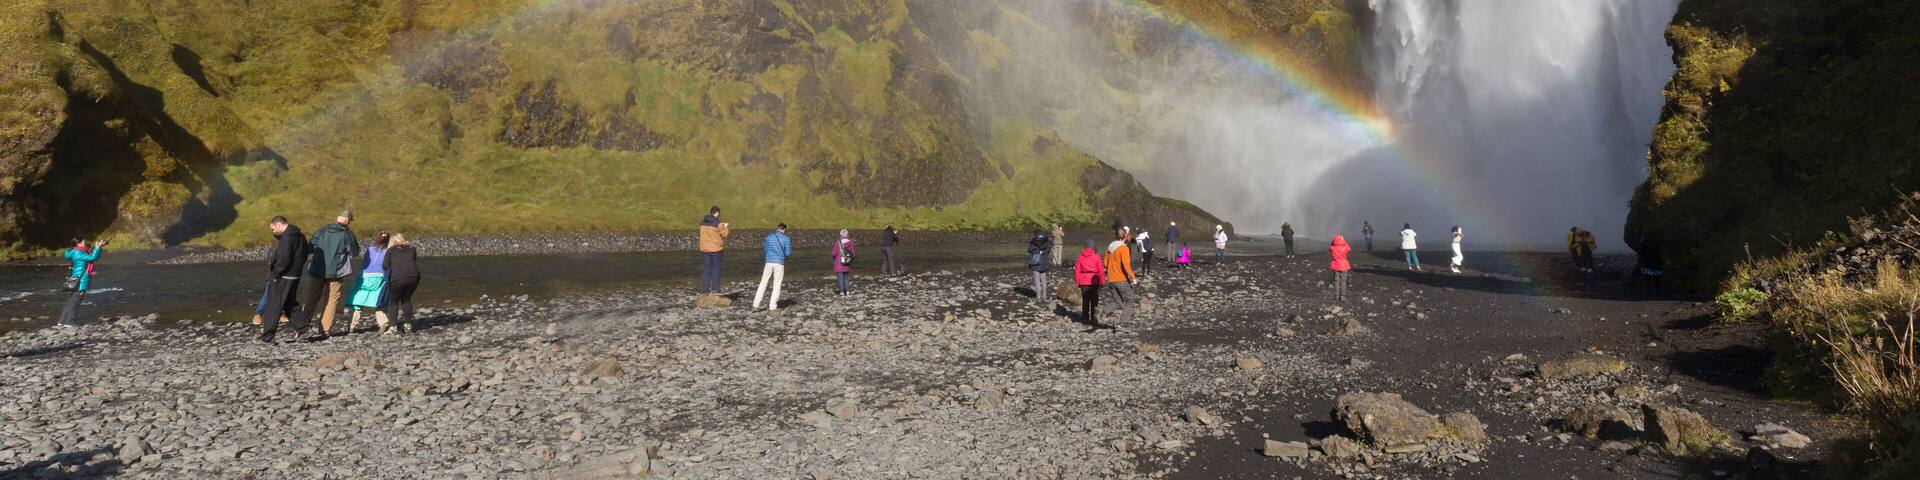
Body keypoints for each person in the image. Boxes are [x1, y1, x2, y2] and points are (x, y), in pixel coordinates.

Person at [298, 210, 358, 340]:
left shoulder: (321, 230)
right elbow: (354, 252)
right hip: (336, 271)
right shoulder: (347, 234)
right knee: (332, 299)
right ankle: (325, 330)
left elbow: (310, 248)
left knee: (311, 298)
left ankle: (301, 327)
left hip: (317, 269)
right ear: (347, 221)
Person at [258, 216, 308, 343]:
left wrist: (276, 272)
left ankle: (268, 337)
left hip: (284, 275)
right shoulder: (299, 235)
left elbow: (284, 258)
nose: (273, 232)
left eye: (273, 229)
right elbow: (305, 253)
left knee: (273, 304)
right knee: (289, 302)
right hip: (295, 274)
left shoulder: (287, 237)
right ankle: (303, 328)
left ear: (279, 225)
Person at [347, 233, 393, 335]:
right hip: (380, 278)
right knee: (379, 302)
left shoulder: (369, 250)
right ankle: (383, 322)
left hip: (365, 278)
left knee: (357, 303)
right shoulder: (388, 251)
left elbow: (365, 264)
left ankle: (351, 326)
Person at [57, 239, 106, 328]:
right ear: (79, 243)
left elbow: (93, 257)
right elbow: (93, 258)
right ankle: (70, 321)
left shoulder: (76, 251)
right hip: (81, 280)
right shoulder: (79, 252)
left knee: (72, 300)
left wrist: (97, 248)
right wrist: (98, 248)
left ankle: (62, 321)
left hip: (76, 279)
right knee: (76, 301)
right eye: (84, 241)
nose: (85, 242)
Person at [383, 233, 421, 334]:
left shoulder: (390, 250)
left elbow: (385, 265)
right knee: (406, 299)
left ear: (392, 241)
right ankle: (408, 325)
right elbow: (413, 260)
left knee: (393, 301)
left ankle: (393, 327)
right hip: (414, 276)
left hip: (398, 277)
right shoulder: (412, 249)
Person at [1102, 227, 1139, 326]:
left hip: (1111, 279)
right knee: (1130, 302)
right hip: (1121, 279)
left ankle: (1106, 310)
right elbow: (1126, 265)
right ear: (1125, 236)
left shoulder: (1110, 246)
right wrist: (1133, 277)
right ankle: (1123, 323)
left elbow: (1105, 263)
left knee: (1118, 301)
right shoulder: (1124, 248)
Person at [754, 224, 793, 311]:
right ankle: (772, 306)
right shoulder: (786, 238)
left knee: (763, 282)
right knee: (777, 284)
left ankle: (755, 304)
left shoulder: (769, 236)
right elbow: (788, 253)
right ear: (784, 229)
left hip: (768, 262)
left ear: (777, 228)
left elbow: (765, 249)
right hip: (779, 263)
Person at [698, 207, 731, 294]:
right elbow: (725, 235)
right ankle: (715, 288)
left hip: (705, 248)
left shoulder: (702, 222)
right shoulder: (718, 223)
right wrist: (725, 227)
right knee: (716, 268)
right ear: (717, 213)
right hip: (716, 249)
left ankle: (705, 289)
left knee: (706, 268)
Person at [1074, 240, 1106, 327]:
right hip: (1095, 280)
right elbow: (1101, 270)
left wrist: (1078, 282)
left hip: (1084, 280)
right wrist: (1103, 281)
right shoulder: (1097, 256)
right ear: (1094, 246)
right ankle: (1093, 318)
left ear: (1085, 246)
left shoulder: (1080, 256)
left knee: (1085, 300)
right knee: (1094, 300)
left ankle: (1085, 318)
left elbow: (1077, 270)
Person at [1027, 229, 1052, 308]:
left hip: (1036, 262)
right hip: (1044, 261)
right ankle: (1044, 297)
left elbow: (1029, 250)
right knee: (1043, 280)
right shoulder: (1046, 240)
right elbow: (1048, 250)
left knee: (1037, 281)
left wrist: (1031, 241)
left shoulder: (1034, 241)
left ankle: (1038, 298)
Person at [832, 229, 856, 295]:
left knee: (840, 278)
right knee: (846, 278)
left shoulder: (838, 242)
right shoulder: (851, 243)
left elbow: (833, 253)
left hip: (839, 263)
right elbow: (853, 253)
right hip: (847, 262)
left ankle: (842, 292)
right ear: (847, 235)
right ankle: (847, 292)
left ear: (841, 235)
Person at [1329, 235, 1352, 302]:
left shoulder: (1333, 248)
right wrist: (1343, 240)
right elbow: (1349, 248)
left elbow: (1330, 247)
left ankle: (1336, 296)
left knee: (1336, 281)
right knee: (1343, 281)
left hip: (1336, 266)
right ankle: (1342, 296)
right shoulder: (1345, 248)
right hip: (1344, 266)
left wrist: (1334, 241)